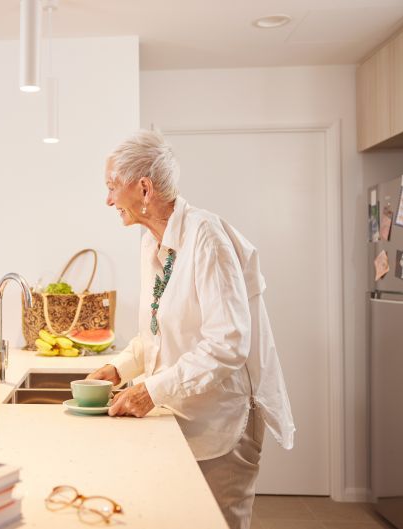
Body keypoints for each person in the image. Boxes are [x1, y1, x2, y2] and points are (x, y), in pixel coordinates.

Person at [88, 130, 295, 529]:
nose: (109, 199)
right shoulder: (153, 242)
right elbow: (160, 329)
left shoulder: (207, 239)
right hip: (184, 413)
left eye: (113, 187)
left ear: (144, 188)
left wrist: (151, 390)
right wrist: (120, 368)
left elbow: (228, 344)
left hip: (222, 419)